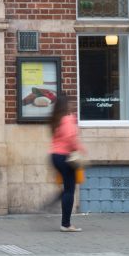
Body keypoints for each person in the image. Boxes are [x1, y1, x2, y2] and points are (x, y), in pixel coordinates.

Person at [48, 93, 84, 232]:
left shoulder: (56, 119)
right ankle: (66, 224)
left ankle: (54, 201)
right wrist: (80, 149)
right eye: (69, 102)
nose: (71, 104)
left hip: (54, 156)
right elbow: (70, 138)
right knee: (70, 189)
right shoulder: (68, 118)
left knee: (66, 188)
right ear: (66, 105)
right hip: (65, 157)